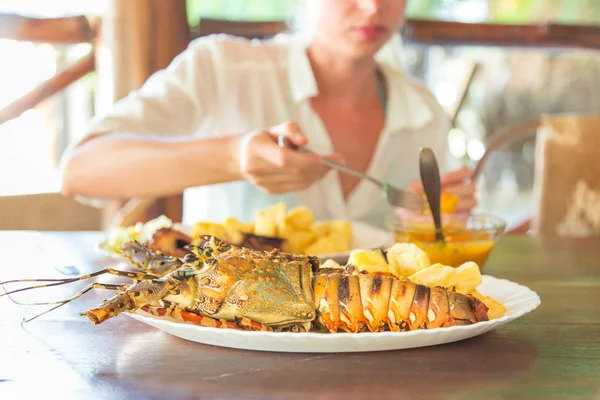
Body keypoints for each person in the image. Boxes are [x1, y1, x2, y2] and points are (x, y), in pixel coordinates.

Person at [60, 0, 476, 228]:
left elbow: (438, 242)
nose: (372, 7)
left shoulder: (424, 112)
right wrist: (233, 157)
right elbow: (81, 171)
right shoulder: (221, 68)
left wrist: (430, 221)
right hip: (226, 341)